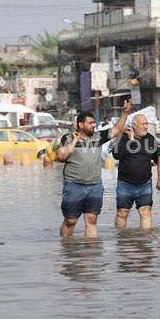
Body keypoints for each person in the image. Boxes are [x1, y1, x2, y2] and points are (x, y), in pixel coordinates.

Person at [57, 99, 132, 237]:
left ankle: (91, 254)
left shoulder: (98, 137)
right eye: (90, 123)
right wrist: (74, 140)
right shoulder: (67, 138)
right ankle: (66, 249)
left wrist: (125, 112)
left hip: (95, 186)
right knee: (70, 221)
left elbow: (116, 130)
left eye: (94, 123)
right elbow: (61, 156)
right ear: (80, 124)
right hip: (74, 186)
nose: (93, 125)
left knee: (92, 220)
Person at [112, 114, 158, 229]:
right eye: (143, 124)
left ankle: (146, 243)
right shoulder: (123, 138)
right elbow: (116, 155)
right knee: (122, 213)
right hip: (125, 184)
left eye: (147, 124)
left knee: (146, 212)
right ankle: (122, 241)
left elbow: (157, 158)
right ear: (134, 125)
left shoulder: (150, 139)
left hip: (145, 184)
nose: (146, 127)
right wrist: (130, 140)